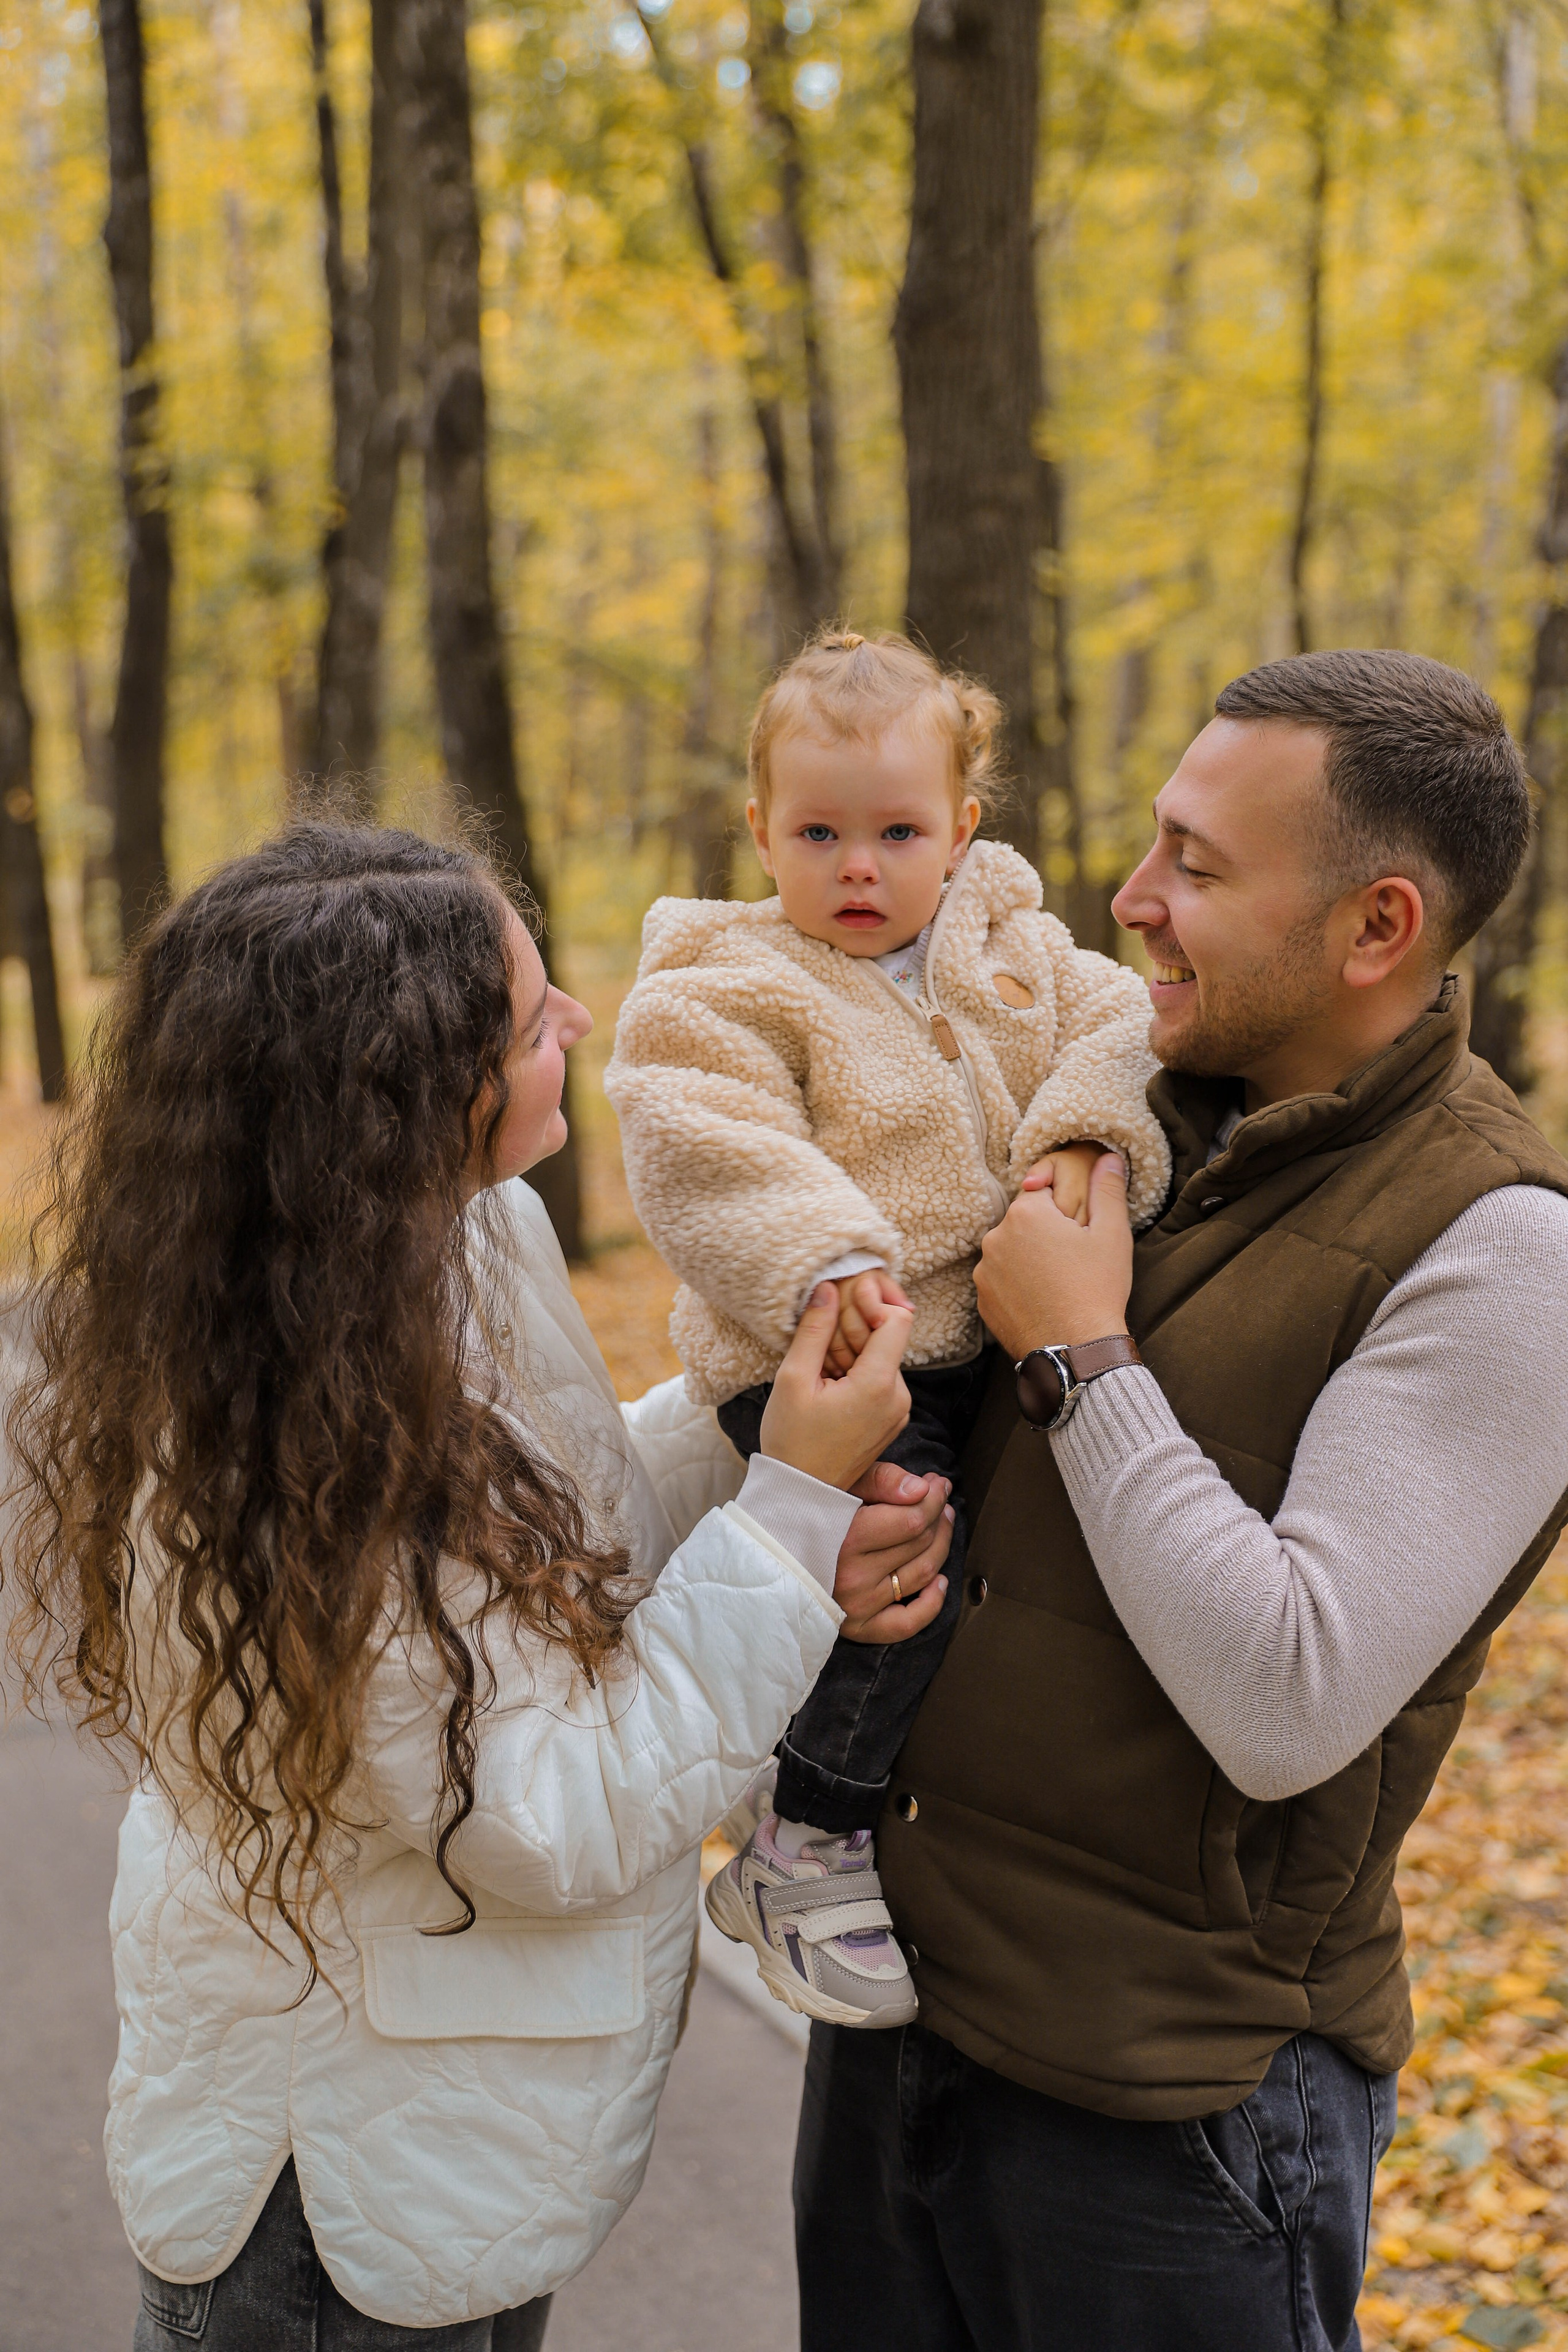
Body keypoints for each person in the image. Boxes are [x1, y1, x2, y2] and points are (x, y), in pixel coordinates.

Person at [4, 825, 954, 2351]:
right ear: (401, 1099)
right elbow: (541, 1811)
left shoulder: (444, 1240)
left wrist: (756, 1453)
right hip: (342, 2203)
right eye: (527, 1022)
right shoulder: (268, 1438)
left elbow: (535, 1543)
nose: (573, 1021)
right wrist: (783, 1525)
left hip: (454, 2139)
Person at [795, 649, 1568, 2351]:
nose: (1135, 901)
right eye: (1157, 847)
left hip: (1175, 2115)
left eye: (1200, 870)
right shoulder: (1121, 1109)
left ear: (1379, 928)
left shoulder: (1502, 1249)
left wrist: (1078, 1355)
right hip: (903, 2028)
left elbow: (1288, 1696)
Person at [604, 628, 1170, 2028]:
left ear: (961, 829)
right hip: (819, 1348)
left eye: (897, 831)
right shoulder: (721, 982)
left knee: (1000, 1573)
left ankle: (849, 1781)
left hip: (977, 1334)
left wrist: (1082, 1140)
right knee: (904, 1555)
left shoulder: (1024, 956)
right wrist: (824, 1254)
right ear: (760, 831)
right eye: (817, 832)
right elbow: (701, 1137)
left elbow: (1128, 1033)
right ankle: (802, 1838)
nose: (857, 867)